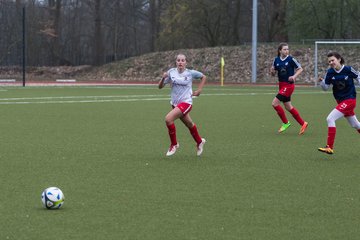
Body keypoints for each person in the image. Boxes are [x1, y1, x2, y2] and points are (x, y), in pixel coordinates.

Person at [158, 53, 207, 157]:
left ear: (186, 62)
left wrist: (199, 90)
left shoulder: (190, 73)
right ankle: (199, 142)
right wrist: (163, 78)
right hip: (175, 104)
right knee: (189, 124)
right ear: (176, 62)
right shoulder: (171, 72)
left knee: (168, 119)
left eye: (182, 60)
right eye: (178, 60)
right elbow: (160, 87)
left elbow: (203, 77)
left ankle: (174, 144)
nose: (180, 62)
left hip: (186, 102)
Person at [318, 52, 360, 154]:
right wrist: (322, 82)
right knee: (355, 125)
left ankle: (329, 146)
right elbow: (325, 88)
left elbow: (358, 77)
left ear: (339, 59)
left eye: (333, 60)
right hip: (341, 102)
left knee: (330, 118)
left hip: (350, 100)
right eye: (329, 61)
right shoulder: (330, 72)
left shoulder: (348, 69)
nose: (331, 62)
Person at [270, 42, 308, 134]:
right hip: (281, 85)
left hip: (288, 85)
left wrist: (294, 76)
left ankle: (285, 123)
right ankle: (303, 123)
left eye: (287, 49)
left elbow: (300, 68)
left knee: (274, 103)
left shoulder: (291, 59)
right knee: (288, 106)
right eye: (285, 49)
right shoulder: (276, 60)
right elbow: (273, 73)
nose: (287, 51)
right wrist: (272, 72)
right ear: (280, 51)